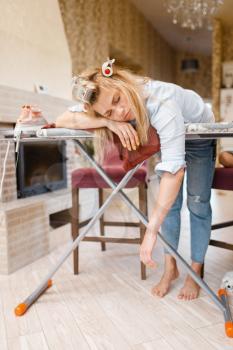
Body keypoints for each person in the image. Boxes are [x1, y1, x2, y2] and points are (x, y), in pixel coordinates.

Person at [56, 58, 216, 301]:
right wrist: (106, 121)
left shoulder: (162, 104)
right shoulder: (108, 107)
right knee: (170, 206)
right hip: (170, 135)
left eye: (118, 100)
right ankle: (170, 267)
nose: (120, 112)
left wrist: (151, 231)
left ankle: (196, 270)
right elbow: (62, 119)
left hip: (200, 135)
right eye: (110, 111)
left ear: (123, 83)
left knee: (197, 204)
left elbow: (174, 172)